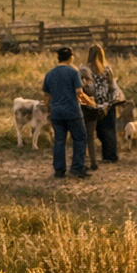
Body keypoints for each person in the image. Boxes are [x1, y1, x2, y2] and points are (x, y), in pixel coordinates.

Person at [42, 46, 91, 179]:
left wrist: (49, 110)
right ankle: (77, 167)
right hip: (72, 111)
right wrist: (90, 102)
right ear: (70, 57)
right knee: (80, 138)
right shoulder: (73, 72)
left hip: (56, 111)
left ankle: (59, 170)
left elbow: (46, 95)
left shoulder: (50, 73)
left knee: (59, 140)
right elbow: (79, 92)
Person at [79, 44, 121, 168]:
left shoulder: (85, 69)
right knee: (110, 129)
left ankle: (94, 156)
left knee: (95, 131)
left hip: (93, 103)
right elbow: (112, 85)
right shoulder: (107, 69)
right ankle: (111, 155)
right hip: (107, 102)